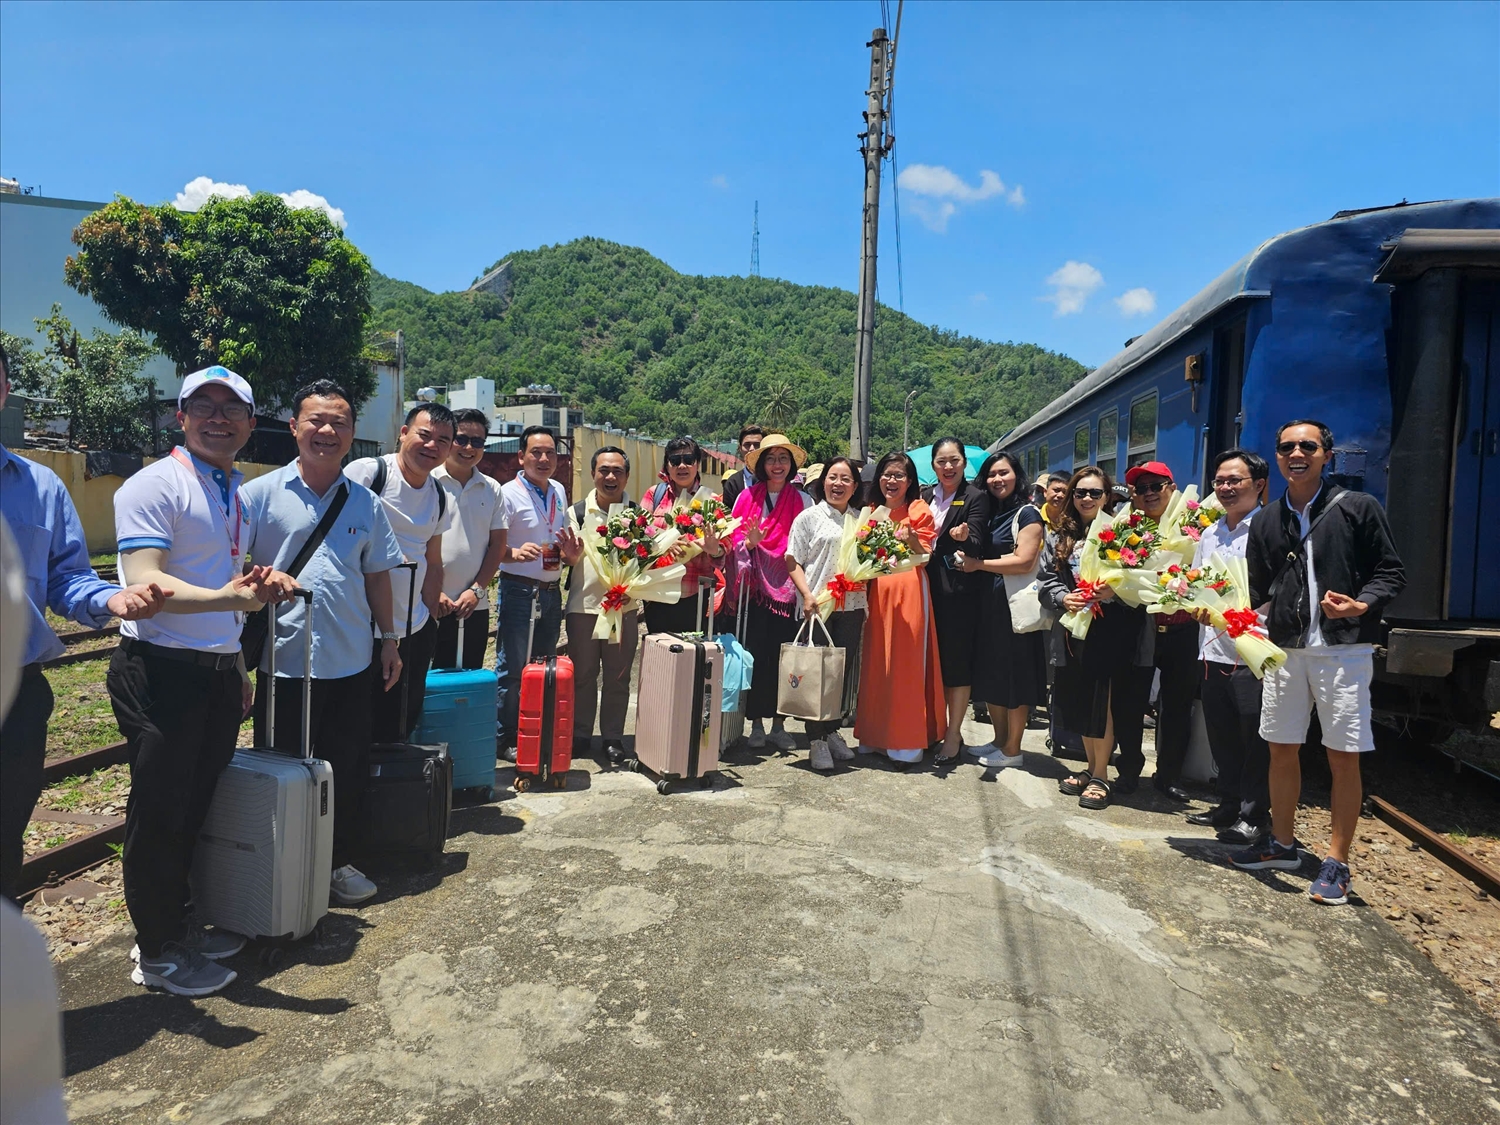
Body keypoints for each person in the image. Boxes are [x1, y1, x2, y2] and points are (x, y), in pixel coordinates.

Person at [108, 366, 297, 995]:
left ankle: (181, 923)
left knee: (195, 806)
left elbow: (227, 582)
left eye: (232, 408)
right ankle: (156, 950)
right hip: (160, 671)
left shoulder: (229, 490)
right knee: (159, 813)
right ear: (180, 416)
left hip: (214, 672)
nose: (218, 418)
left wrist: (236, 658)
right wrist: (232, 600)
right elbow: (146, 580)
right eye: (204, 406)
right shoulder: (154, 485)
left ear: (249, 423)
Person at [0, 350, 170, 902]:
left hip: (15, 696)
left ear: (4, 390)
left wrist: (110, 598)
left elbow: (67, 578)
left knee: (4, 841)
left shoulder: (40, 487)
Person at [240, 379, 406, 907]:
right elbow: (231, 569)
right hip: (281, 661)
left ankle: (337, 863)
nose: (327, 430)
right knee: (280, 765)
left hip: (351, 659)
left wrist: (390, 640)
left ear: (353, 433)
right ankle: (282, 866)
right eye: (316, 420)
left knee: (345, 767)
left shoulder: (365, 504)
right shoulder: (257, 496)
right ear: (294, 427)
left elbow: (378, 576)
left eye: (339, 422)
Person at [1233, 420, 1405, 905]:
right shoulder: (1268, 519)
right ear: (1278, 456)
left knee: (1342, 757)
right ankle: (1283, 844)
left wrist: (1362, 604)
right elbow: (1259, 589)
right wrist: (1232, 613)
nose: (1297, 453)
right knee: (1281, 749)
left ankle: (1337, 862)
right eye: (1287, 447)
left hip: (1342, 650)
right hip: (1285, 649)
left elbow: (1392, 571)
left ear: (1327, 455)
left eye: (1307, 446)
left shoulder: (1358, 508)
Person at [1038, 467, 1155, 811]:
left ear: (1108, 496)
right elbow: (1047, 579)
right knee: (1080, 699)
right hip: (1075, 627)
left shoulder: (1124, 532)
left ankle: (1102, 775)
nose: (1086, 498)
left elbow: (1140, 580)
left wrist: (1113, 590)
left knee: (1101, 703)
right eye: (1080, 492)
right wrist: (1064, 598)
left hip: (1112, 628)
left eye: (1094, 493)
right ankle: (1091, 767)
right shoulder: (1061, 533)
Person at [346, 404, 455, 741]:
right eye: (424, 435)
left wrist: (428, 623)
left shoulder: (439, 495)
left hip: (413, 630)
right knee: (351, 725)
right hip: (358, 629)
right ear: (403, 433)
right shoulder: (367, 474)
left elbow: (433, 561)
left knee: (397, 727)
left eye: (442, 440)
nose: (432, 445)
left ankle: (389, 792)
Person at [1186, 449, 1272, 845]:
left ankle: (1254, 815)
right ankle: (1228, 802)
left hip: (1255, 648)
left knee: (1255, 734)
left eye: (1234, 481)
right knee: (1221, 730)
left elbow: (1280, 587)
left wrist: (1254, 615)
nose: (1225, 488)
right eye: (1220, 481)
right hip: (1213, 649)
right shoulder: (1210, 532)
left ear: (1259, 485)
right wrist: (1195, 604)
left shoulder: (1271, 528)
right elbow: (1201, 581)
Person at [494, 425, 582, 758]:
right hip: (519, 589)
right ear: (521, 456)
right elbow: (492, 546)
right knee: (513, 667)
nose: (544, 459)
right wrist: (512, 554)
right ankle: (505, 737)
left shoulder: (558, 489)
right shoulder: (507, 493)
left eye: (550, 453)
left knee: (544, 664)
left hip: (550, 589)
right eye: (536, 452)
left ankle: (537, 730)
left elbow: (561, 537)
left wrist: (571, 556)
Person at [854, 452, 946, 766]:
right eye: (887, 475)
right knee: (876, 660)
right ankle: (874, 735)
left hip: (908, 589)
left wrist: (912, 541)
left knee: (905, 662)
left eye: (899, 476)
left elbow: (927, 553)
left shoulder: (917, 509)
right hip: (876, 591)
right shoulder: (869, 511)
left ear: (909, 482)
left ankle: (905, 741)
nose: (892, 481)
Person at [960, 450, 1047, 768]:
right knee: (991, 674)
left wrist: (978, 564)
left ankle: (1013, 749)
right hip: (987, 603)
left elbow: (1025, 560)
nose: (997, 479)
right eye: (992, 474)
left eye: (1004, 473)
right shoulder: (989, 513)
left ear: (1017, 476)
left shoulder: (1028, 514)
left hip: (1012, 605)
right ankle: (998, 740)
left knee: (1015, 676)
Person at [726, 433, 812, 751]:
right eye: (771, 459)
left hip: (789, 594)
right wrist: (748, 544)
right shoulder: (746, 498)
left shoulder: (803, 501)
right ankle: (757, 724)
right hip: (755, 593)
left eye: (783, 459)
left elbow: (807, 547)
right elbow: (731, 541)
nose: (777, 465)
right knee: (757, 657)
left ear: (791, 465)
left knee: (784, 659)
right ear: (762, 465)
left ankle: (780, 724)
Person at [786, 456, 865, 772]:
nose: (839, 484)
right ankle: (815, 739)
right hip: (817, 606)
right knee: (815, 674)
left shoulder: (861, 520)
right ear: (823, 481)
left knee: (841, 674)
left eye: (846, 479)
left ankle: (832, 731)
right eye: (834, 477)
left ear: (855, 486)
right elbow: (793, 560)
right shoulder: (809, 518)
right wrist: (806, 594)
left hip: (852, 605)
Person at [1126, 459, 1196, 803]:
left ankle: (1168, 775)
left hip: (1183, 629)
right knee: (1131, 700)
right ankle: (1128, 769)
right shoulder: (1127, 527)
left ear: (1172, 487)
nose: (1149, 494)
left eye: (1156, 486)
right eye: (1141, 489)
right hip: (1141, 628)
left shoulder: (1194, 524)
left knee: (1176, 706)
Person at [567, 446, 638, 764]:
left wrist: (634, 589)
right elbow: (567, 559)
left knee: (618, 676)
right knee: (582, 675)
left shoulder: (637, 515)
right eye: (604, 470)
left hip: (623, 609)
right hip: (584, 606)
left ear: (626, 476)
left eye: (617, 471)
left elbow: (649, 564)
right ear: (593, 473)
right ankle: (581, 734)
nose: (610, 477)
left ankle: (612, 736)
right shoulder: (577, 512)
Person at [922, 439, 987, 763]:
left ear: (963, 464)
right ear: (933, 465)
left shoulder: (975, 497)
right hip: (923, 589)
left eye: (954, 461)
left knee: (956, 666)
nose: (948, 467)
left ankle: (953, 734)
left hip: (958, 594)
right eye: (942, 461)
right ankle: (931, 728)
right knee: (930, 663)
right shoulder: (923, 496)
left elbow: (978, 543)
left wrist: (965, 538)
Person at [432, 408, 508, 670]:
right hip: (427, 605)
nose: (468, 447)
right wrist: (431, 590)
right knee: (426, 685)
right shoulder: (427, 481)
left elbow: (497, 546)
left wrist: (477, 591)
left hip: (473, 606)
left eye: (477, 442)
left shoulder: (492, 488)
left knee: (466, 685)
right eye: (461, 439)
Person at [641, 436, 725, 635]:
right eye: (675, 460)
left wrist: (715, 550)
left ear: (697, 465)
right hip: (657, 594)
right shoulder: (654, 496)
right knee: (661, 658)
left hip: (695, 596)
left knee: (692, 658)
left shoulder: (711, 501)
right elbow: (640, 539)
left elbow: (724, 549)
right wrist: (663, 545)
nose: (682, 465)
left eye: (688, 459)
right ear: (667, 466)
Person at [1037, 470, 1085, 758]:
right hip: (1060, 615)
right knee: (1059, 674)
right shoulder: (1054, 532)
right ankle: (1065, 739)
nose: (1060, 495)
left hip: (1099, 623)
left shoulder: (1108, 532)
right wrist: (1062, 597)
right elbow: (1048, 577)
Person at [720, 424, 766, 510]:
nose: (752, 449)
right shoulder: (732, 483)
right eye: (747, 445)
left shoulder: (774, 480)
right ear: (740, 448)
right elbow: (728, 518)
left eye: (757, 445)